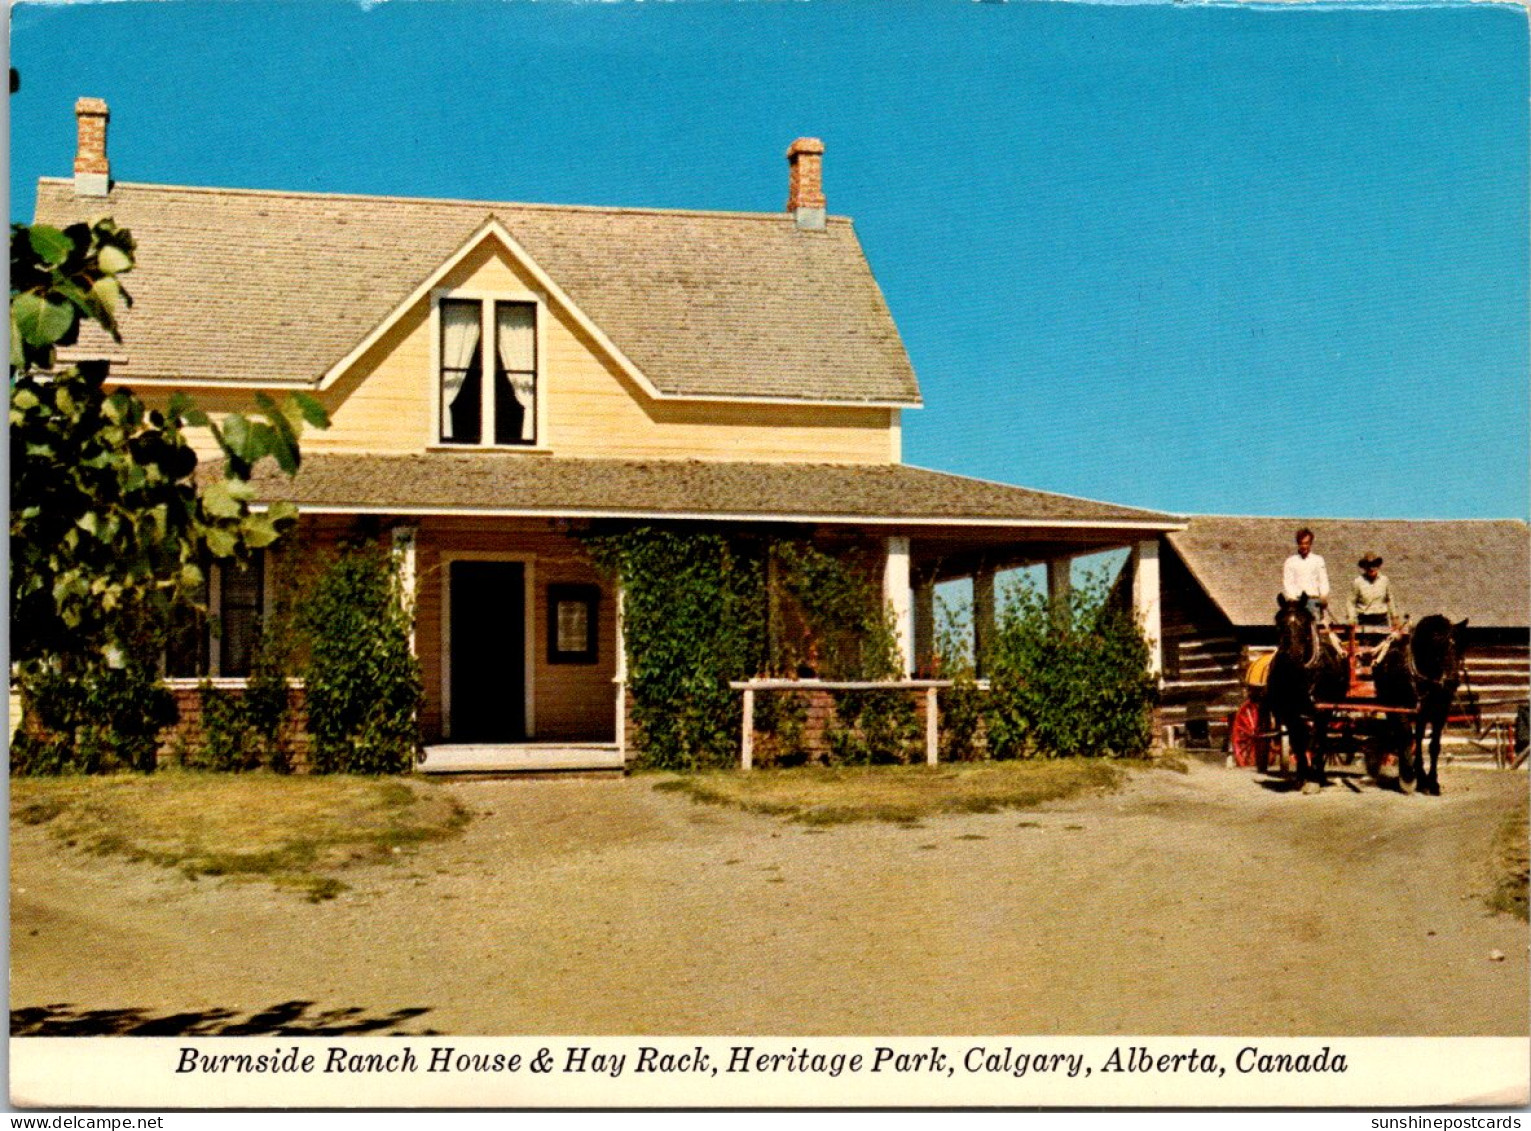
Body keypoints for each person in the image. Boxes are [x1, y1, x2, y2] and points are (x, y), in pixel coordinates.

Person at [1282, 527, 1330, 619]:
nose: (1304, 546)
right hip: (1297, 601)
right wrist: (1292, 598)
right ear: (1298, 543)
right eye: (1301, 543)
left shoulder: (1318, 560)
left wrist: (1324, 595)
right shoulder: (1290, 561)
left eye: (1306, 543)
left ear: (1310, 543)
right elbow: (1288, 582)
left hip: (1313, 600)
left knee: (1318, 626)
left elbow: (1323, 580)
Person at [1348, 551, 1398, 632]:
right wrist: (1351, 618)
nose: (1371, 568)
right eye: (1369, 565)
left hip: (1381, 620)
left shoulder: (1384, 580)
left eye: (1374, 565)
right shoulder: (1358, 582)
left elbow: (1390, 599)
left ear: (1378, 566)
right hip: (1364, 620)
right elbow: (1351, 602)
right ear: (1364, 567)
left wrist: (1394, 617)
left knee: (1384, 643)